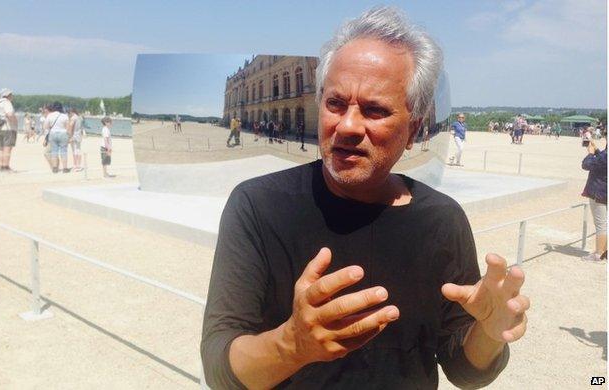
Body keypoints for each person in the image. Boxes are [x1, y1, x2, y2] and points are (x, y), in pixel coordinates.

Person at [202, 7, 528, 389]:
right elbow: (220, 369)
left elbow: (463, 370)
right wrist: (293, 344)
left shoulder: (441, 219)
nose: (348, 126)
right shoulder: (257, 207)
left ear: (413, 129)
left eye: (374, 110)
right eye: (335, 104)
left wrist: (488, 332)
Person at [581, 137, 607, 262]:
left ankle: (599, 253)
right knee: (605, 224)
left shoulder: (605, 156)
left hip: (599, 192)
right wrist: (597, 150)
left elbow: (586, 165)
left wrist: (591, 153)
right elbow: (602, 159)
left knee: (601, 225)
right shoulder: (604, 155)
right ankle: (605, 251)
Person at [0, 88, 18, 172]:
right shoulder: (6, 103)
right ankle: (6, 167)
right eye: (11, 94)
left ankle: (1, 166)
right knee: (8, 147)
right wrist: (15, 122)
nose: (12, 96)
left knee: (1, 147)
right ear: (7, 95)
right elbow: (9, 114)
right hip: (8, 127)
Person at [43, 102, 71, 173]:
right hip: (63, 133)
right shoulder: (64, 116)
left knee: (54, 151)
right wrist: (69, 137)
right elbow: (68, 127)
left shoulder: (50, 115)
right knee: (63, 151)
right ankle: (65, 168)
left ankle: (55, 168)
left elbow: (45, 126)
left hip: (53, 134)